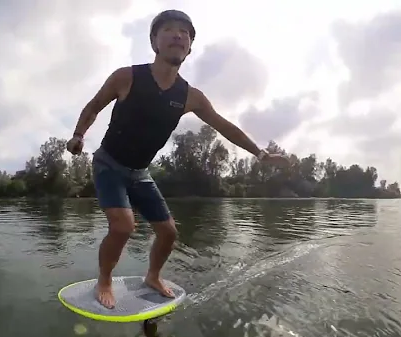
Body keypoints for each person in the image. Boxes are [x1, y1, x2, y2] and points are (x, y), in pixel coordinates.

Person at [66, 9, 289, 309]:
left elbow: (224, 126)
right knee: (122, 227)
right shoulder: (127, 77)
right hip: (109, 163)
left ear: (190, 47)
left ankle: (152, 276)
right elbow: (93, 107)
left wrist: (260, 153)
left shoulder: (190, 96)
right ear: (154, 41)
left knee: (169, 233)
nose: (177, 35)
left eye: (184, 32)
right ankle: (104, 279)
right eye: (169, 29)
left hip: (140, 172)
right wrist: (79, 135)